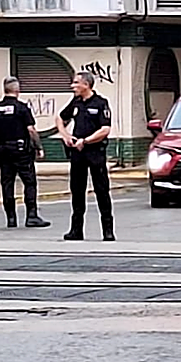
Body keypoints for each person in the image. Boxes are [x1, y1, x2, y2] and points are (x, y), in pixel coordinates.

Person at [0, 76, 49, 229]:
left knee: (7, 184)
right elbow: (31, 130)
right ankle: (31, 216)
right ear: (18, 90)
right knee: (29, 182)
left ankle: (11, 219)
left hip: (3, 150)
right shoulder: (22, 108)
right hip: (21, 151)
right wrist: (38, 147)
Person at [58, 71, 114, 241]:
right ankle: (76, 229)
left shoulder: (100, 103)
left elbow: (105, 129)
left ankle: (108, 230)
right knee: (77, 191)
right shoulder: (76, 103)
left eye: (76, 83)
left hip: (95, 152)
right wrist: (66, 136)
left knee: (101, 191)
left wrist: (87, 140)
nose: (72, 86)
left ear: (86, 85)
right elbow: (60, 118)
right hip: (77, 153)